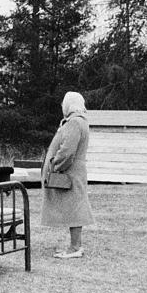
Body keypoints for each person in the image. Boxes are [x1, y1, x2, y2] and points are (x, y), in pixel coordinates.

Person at [42, 91, 95, 259]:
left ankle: (75, 247)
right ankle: (75, 245)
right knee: (75, 207)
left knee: (75, 208)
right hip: (75, 170)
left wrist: (54, 166)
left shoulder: (74, 123)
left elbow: (67, 152)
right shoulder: (81, 122)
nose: (62, 107)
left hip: (69, 171)